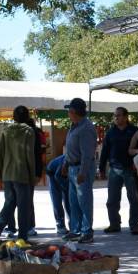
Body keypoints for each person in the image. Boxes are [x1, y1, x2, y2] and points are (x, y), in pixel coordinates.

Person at [0, 106, 36, 242]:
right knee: (23, 208)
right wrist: (32, 176)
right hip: (22, 174)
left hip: (7, 174)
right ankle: (22, 238)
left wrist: (1, 174)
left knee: (9, 205)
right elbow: (29, 155)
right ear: (27, 117)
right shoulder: (29, 131)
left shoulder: (6, 131)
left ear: (13, 117)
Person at [99, 107, 138, 233]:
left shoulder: (134, 131)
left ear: (126, 117)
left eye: (119, 115)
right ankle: (114, 224)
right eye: (115, 115)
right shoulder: (110, 132)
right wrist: (101, 169)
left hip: (131, 169)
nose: (116, 118)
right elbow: (105, 151)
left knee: (134, 199)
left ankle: (134, 225)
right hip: (114, 170)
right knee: (112, 200)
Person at [63, 97, 97, 243]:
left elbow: (87, 154)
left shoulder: (86, 128)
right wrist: (65, 164)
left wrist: (83, 172)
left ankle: (87, 231)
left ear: (74, 111)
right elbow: (70, 148)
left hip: (80, 169)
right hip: (72, 167)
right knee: (74, 202)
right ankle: (76, 230)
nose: (68, 114)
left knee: (84, 201)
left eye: (69, 111)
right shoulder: (74, 126)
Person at [46, 153, 73, 235]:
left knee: (68, 200)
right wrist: (65, 188)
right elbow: (57, 176)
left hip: (61, 174)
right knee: (56, 201)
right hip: (52, 173)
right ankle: (60, 225)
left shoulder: (76, 157)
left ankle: (72, 223)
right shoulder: (68, 160)